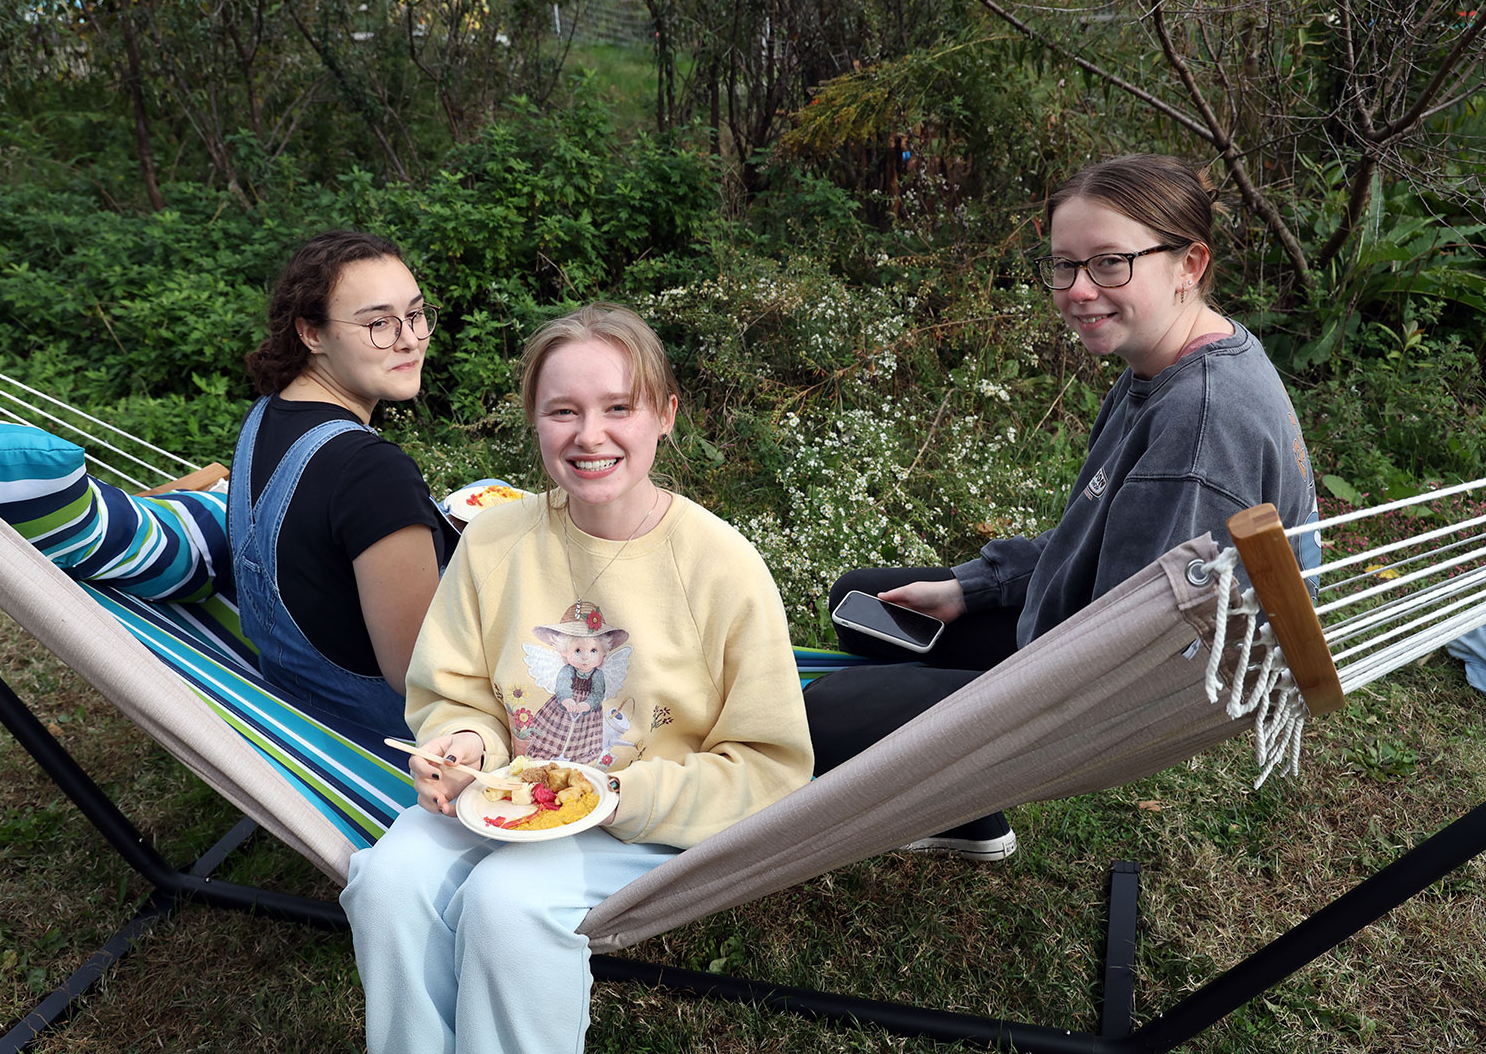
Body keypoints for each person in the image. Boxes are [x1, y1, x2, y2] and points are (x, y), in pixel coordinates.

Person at [804, 153, 1321, 860]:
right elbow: (1089, 540)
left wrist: (981, 702)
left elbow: (1120, 657)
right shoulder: (1161, 361)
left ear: (1188, 264)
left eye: (1110, 263)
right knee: (861, 603)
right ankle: (963, 803)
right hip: (1091, 627)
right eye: (1063, 265)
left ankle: (958, 793)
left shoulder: (1199, 421)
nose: (1079, 290)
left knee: (817, 715)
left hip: (1114, 692)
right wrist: (971, 588)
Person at [339, 302, 813, 1054]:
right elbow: (455, 689)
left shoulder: (722, 567)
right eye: (563, 410)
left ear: (665, 414)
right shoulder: (495, 539)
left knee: (506, 903)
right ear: (535, 421)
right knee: (387, 880)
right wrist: (464, 744)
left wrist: (621, 794)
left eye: (618, 407)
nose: (590, 435)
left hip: (645, 817)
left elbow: (769, 764)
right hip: (503, 797)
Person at [228, 230, 458, 745]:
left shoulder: (267, 416)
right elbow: (424, 678)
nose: (409, 339)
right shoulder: (371, 471)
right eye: (378, 323)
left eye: (416, 314)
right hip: (392, 751)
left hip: (301, 727)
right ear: (311, 332)